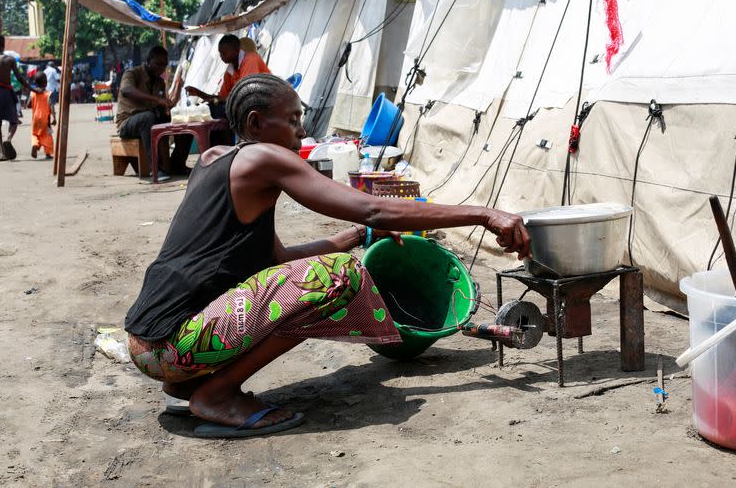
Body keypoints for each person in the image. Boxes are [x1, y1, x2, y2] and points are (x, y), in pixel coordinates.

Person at [125, 73, 532, 438]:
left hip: (150, 349)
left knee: (311, 276)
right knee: (341, 276)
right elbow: (372, 206)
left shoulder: (215, 163)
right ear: (254, 123)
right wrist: (482, 214)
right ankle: (217, 394)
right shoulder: (263, 158)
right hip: (175, 347)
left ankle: (188, 386)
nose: (301, 131)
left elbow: (280, 260)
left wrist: (358, 234)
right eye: (292, 119)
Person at [116, 46, 192, 182]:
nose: (162, 68)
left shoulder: (159, 82)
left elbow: (162, 108)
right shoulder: (132, 73)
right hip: (128, 122)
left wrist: (173, 100)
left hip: (150, 119)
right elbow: (126, 90)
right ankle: (155, 169)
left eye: (164, 65)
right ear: (148, 61)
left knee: (182, 120)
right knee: (148, 118)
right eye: (158, 64)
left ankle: (177, 163)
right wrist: (156, 99)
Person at [0, 35, 42, 161]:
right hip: (7, 92)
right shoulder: (9, 60)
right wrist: (32, 89)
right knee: (14, 121)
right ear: (3, 44)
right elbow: (20, 78)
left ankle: (1, 153)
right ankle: (8, 139)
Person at [185, 34, 270, 120]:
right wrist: (198, 93)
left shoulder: (251, 59)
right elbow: (222, 97)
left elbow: (245, 94)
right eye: (220, 53)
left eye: (224, 53)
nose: (221, 56)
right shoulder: (230, 70)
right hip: (246, 105)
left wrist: (216, 101)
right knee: (201, 109)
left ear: (237, 50)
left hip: (264, 105)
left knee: (214, 111)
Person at [28, 71, 56, 160]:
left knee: (35, 134)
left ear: (35, 83)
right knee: (47, 135)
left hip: (35, 119)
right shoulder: (48, 94)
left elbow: (28, 105)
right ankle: (48, 153)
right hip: (45, 119)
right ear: (46, 83)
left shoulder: (32, 93)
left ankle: (35, 145)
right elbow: (51, 106)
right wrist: (54, 118)